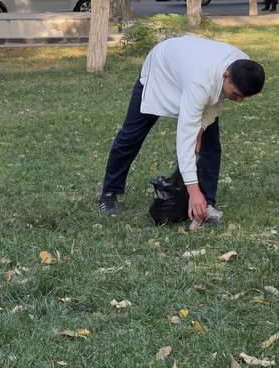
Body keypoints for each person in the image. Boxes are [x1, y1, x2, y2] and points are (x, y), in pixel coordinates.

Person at [96, 33, 265, 225]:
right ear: (226, 75)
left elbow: (218, 101)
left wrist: (202, 127)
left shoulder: (243, 66)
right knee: (131, 135)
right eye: (236, 94)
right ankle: (109, 192)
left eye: (244, 97)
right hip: (161, 70)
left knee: (210, 143)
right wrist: (192, 191)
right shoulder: (200, 84)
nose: (239, 101)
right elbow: (185, 139)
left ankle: (207, 203)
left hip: (191, 71)